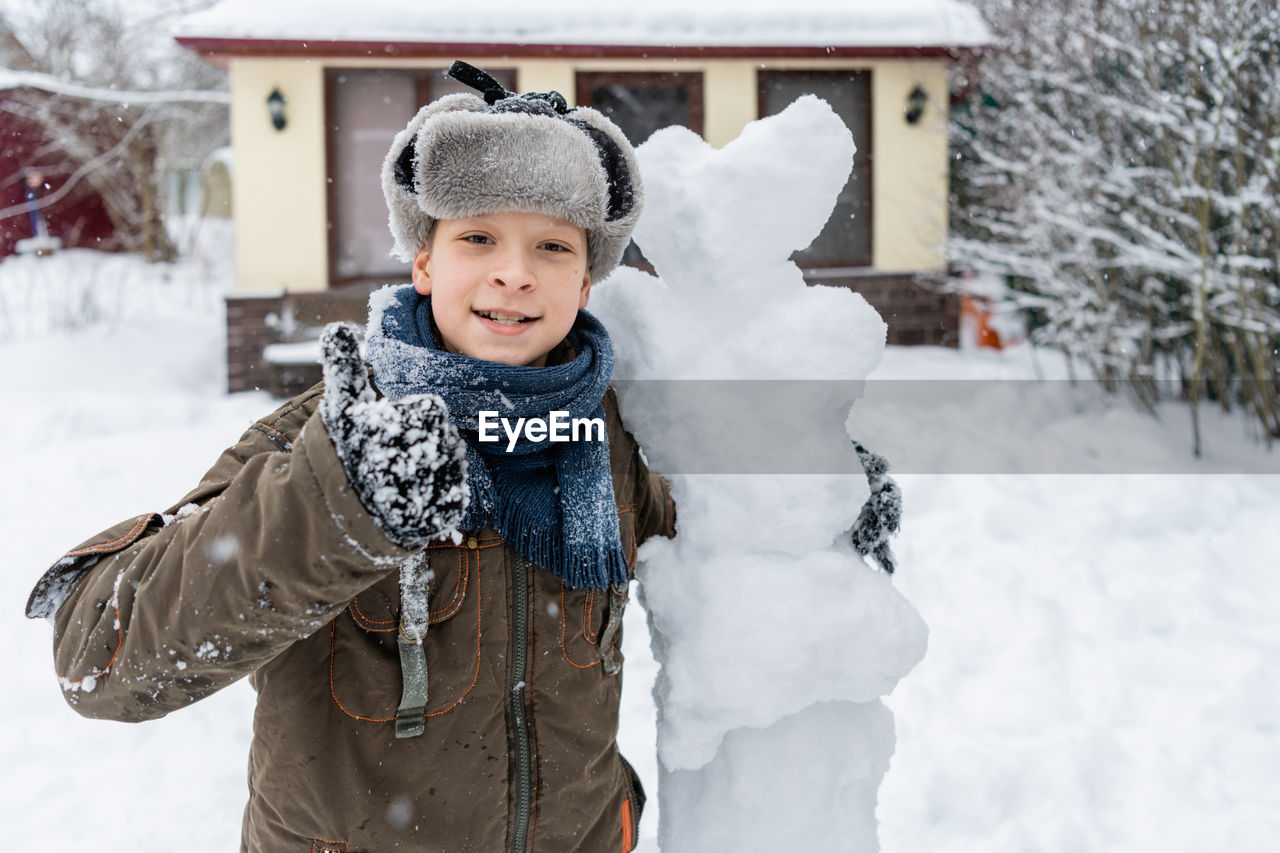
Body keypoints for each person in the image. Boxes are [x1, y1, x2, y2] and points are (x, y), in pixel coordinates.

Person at [24, 61, 676, 853]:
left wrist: (823, 504)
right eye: (478, 237)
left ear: (584, 282)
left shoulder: (606, 439)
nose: (515, 271)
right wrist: (334, 505)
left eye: (551, 245)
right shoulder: (329, 438)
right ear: (425, 262)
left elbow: (721, 543)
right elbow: (100, 656)